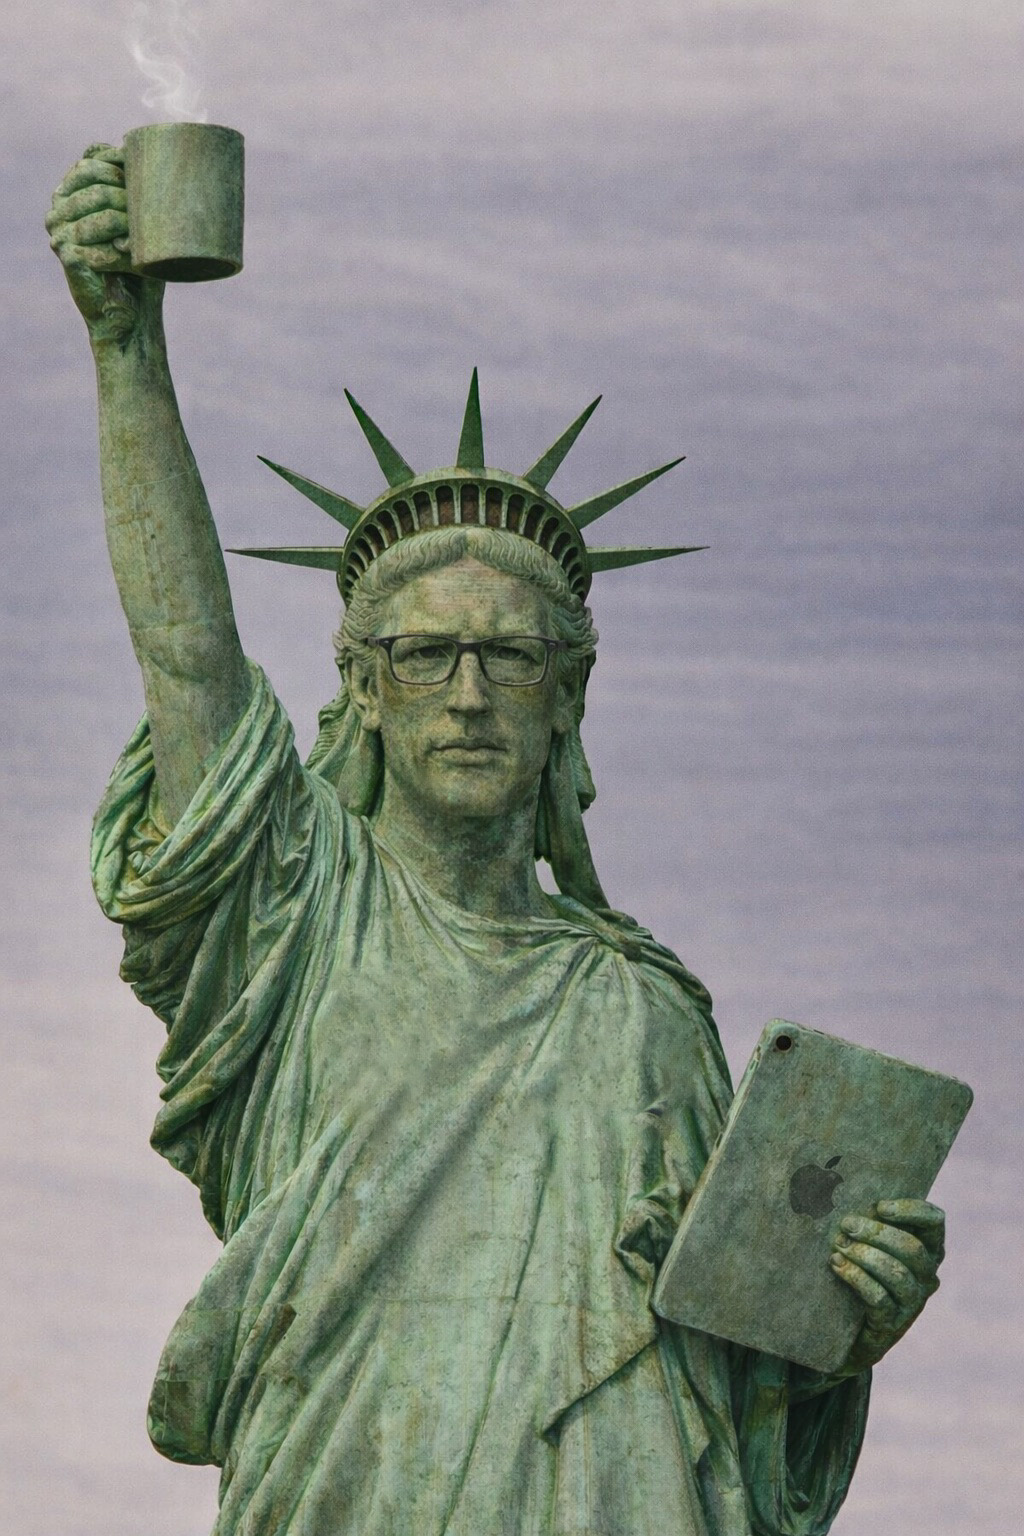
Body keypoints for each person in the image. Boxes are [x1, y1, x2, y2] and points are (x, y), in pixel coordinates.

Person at [47, 143, 947, 1536]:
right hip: (347, 1484)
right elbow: (186, 653)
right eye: (426, 656)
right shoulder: (295, 918)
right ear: (364, 690)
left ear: (565, 699)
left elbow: (729, 1395)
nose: (468, 695)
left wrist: (842, 1323)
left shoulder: (642, 1010)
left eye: (511, 660)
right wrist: (126, 353)